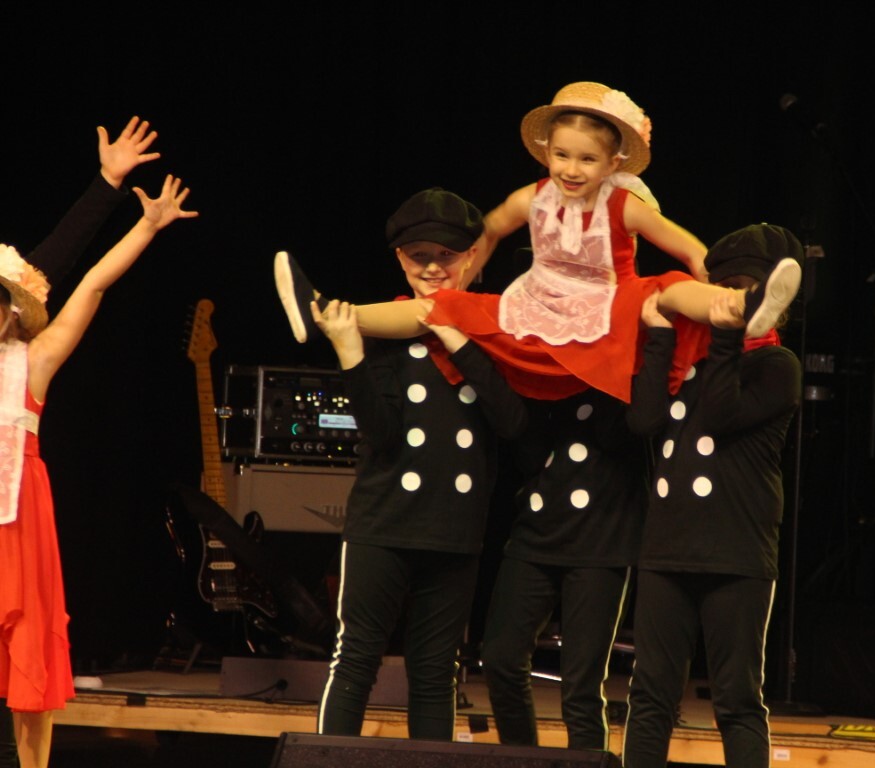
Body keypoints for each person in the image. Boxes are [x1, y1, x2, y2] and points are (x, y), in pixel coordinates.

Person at [275, 82, 801, 403]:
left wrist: (709, 283)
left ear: (612, 164)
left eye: (588, 160)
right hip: (540, 305)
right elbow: (491, 228)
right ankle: (324, 311)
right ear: (547, 151)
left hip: (609, 304)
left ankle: (744, 305)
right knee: (440, 307)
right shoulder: (531, 198)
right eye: (562, 156)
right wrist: (466, 275)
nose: (572, 169)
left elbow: (686, 246)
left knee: (668, 287)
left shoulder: (622, 205)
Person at [314, 189, 528, 741]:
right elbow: (382, 435)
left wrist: (459, 341)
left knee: (435, 671)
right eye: (419, 256)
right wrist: (351, 354)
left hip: (454, 529)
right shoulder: (384, 330)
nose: (433, 267)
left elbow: (512, 421)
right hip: (384, 522)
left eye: (446, 255)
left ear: (471, 256)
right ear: (400, 259)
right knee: (357, 657)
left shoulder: (492, 328)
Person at [0, 175, 197, 768]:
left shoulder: (31, 362)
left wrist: (146, 227)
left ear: (10, 316)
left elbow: (91, 284)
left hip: (17, 523)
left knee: (29, 653)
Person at [621, 224, 803, 768]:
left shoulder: (777, 366)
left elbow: (722, 415)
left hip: (735, 554)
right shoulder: (691, 362)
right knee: (650, 697)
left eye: (745, 289)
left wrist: (724, 339)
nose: (729, 300)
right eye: (723, 288)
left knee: (737, 699)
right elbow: (643, 421)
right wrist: (660, 339)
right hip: (666, 549)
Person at [480, 381, 647, 750]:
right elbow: (528, 453)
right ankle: (521, 759)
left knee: (581, 688)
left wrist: (593, 371)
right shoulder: (546, 375)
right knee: (500, 658)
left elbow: (615, 435)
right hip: (536, 531)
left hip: (603, 540)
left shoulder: (622, 372)